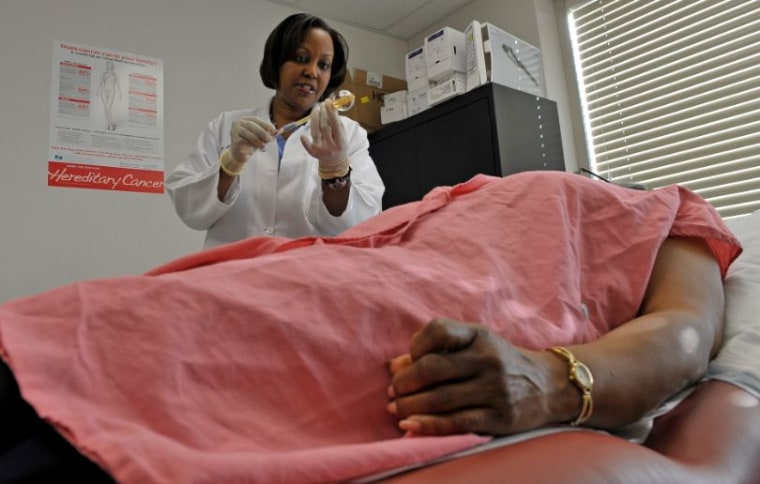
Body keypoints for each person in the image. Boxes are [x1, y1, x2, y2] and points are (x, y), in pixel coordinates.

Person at [0, 171, 755, 483]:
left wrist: (554, 380)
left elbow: (685, 335)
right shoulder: (468, 190)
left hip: (304, 366)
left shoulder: (664, 210)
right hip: (131, 320)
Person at [165, 13, 384, 248]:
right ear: (276, 62)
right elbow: (190, 209)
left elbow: (363, 222)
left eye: (323, 65)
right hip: (233, 275)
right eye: (301, 58)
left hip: (306, 275)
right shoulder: (226, 126)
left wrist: (335, 173)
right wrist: (230, 164)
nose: (312, 72)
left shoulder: (349, 134)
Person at [96, 60, 121, 132]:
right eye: (108, 65)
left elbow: (118, 85)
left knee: (108, 108)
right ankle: (108, 124)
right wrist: (98, 90)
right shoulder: (103, 74)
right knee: (105, 108)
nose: (109, 66)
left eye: (111, 65)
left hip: (112, 91)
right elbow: (100, 83)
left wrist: (120, 93)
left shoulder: (116, 75)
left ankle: (109, 124)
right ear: (106, 66)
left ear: (112, 66)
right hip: (104, 91)